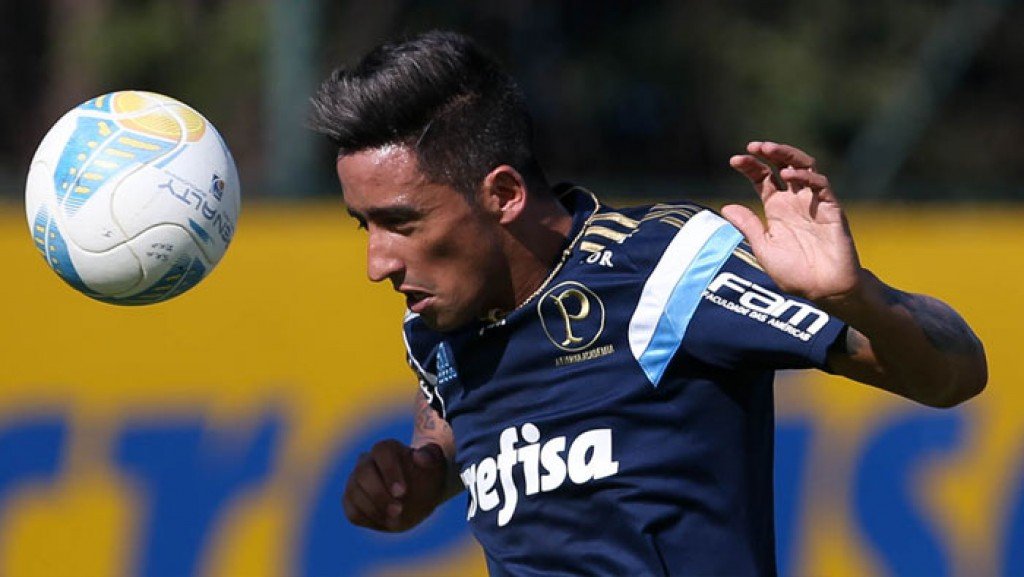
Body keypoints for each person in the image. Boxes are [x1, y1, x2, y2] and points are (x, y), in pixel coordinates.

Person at [309, 30, 987, 576]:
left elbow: (956, 372)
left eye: (401, 223)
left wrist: (857, 298)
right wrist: (426, 469)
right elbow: (459, 404)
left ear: (505, 194)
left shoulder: (669, 269)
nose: (377, 263)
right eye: (363, 225)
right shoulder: (438, 327)